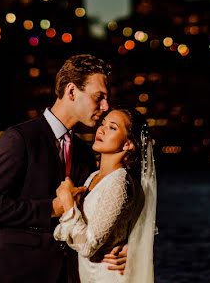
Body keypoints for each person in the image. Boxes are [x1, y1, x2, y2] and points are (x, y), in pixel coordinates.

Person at [0, 54, 128, 283]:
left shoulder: (85, 152)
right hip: (19, 273)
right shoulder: (19, 138)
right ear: (71, 91)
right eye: (99, 97)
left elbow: (99, 211)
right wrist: (52, 208)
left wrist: (125, 246)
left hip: (68, 275)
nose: (105, 106)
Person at [53, 107, 157, 283]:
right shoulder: (93, 177)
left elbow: (87, 246)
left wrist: (68, 203)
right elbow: (74, 236)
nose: (101, 130)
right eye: (103, 124)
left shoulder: (119, 182)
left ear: (127, 144)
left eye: (112, 127)